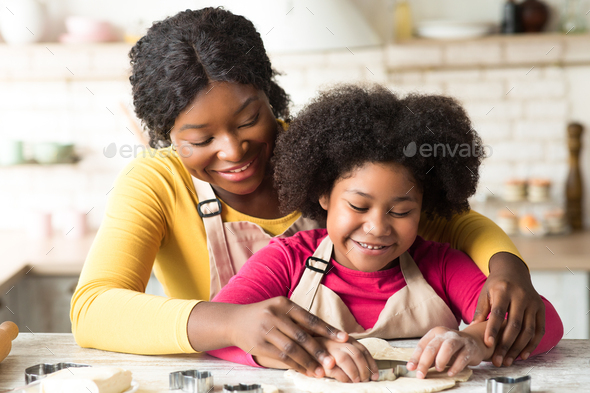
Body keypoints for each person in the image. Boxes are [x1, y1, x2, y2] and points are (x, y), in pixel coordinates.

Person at [71, 7, 546, 377]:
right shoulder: (158, 181)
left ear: (269, 93)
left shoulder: (331, 156)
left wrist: (509, 269)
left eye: (248, 120)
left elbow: (454, 221)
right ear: (167, 135)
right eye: (199, 140)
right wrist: (231, 323)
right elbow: (93, 309)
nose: (234, 150)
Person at [207, 85, 564, 383]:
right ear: (324, 195)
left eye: (401, 211)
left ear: (424, 207)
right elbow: (216, 331)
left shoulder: (439, 265)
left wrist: (472, 342)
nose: (378, 228)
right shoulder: (287, 260)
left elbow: (547, 324)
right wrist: (309, 352)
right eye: (359, 207)